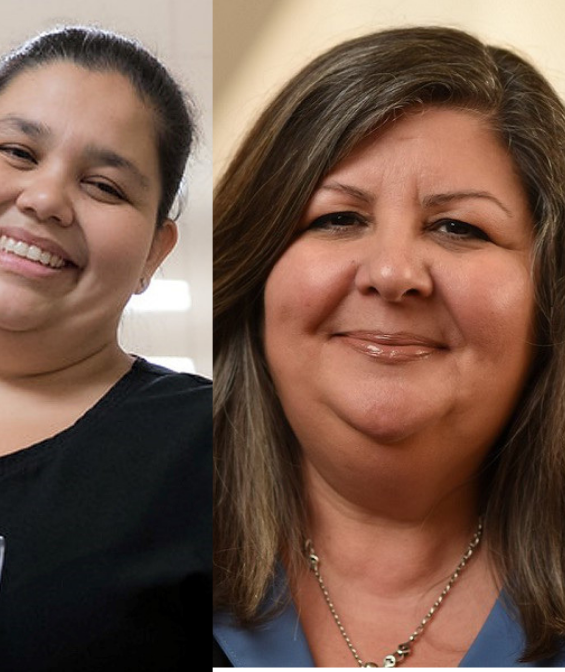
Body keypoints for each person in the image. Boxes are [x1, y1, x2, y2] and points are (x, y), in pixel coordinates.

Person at [212, 27, 565, 667]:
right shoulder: (137, 560)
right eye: (337, 218)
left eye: (460, 227)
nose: (394, 272)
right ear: (254, 276)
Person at [0, 26, 209, 669]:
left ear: (155, 250)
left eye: (105, 187)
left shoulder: (215, 446)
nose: (44, 199)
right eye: (15, 150)